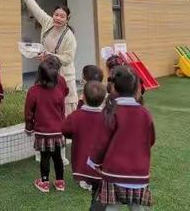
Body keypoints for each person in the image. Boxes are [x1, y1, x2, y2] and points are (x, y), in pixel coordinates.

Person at [89, 66, 155, 210]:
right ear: (136, 87)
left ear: (113, 87)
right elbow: (151, 140)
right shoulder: (145, 113)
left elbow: (101, 142)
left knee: (112, 207)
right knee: (137, 207)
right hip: (139, 173)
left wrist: (94, 162)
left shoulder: (111, 112)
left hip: (114, 172)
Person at [15, 0, 78, 115]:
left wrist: (48, 55)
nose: (58, 18)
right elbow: (36, 9)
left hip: (64, 76)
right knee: (49, 105)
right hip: (47, 72)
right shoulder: (48, 22)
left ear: (67, 19)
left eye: (62, 16)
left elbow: (68, 59)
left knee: (66, 109)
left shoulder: (69, 37)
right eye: (56, 15)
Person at [25, 59, 68, 193]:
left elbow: (28, 112)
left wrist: (29, 127)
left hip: (42, 132)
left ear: (39, 75)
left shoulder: (33, 91)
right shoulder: (59, 91)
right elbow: (62, 111)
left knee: (44, 157)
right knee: (57, 157)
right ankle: (60, 182)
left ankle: (44, 182)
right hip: (57, 131)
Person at [62, 81, 107, 210]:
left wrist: (75, 136)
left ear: (84, 97)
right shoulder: (107, 117)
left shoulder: (76, 116)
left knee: (97, 195)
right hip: (101, 166)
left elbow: (65, 129)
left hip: (83, 165)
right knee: (99, 193)